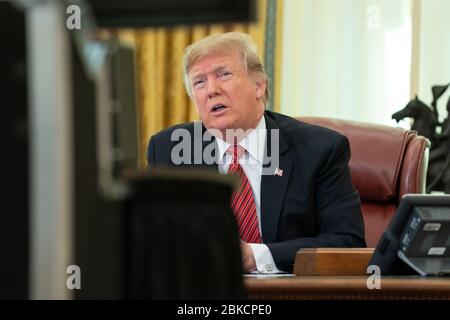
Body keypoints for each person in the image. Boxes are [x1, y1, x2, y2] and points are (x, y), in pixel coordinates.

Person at [146, 32, 366, 273]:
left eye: (224, 74)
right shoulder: (169, 150)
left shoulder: (319, 150)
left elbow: (348, 243)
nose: (211, 90)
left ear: (259, 85)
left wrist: (256, 256)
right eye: (199, 82)